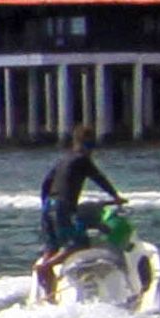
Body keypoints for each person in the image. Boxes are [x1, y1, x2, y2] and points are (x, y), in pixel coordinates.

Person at [35, 127, 126, 297]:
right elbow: (100, 179)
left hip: (49, 205)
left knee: (52, 247)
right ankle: (45, 267)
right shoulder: (82, 160)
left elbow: (46, 183)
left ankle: (49, 294)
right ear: (89, 144)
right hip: (63, 206)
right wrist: (116, 196)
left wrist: (46, 205)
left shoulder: (63, 160)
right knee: (77, 244)